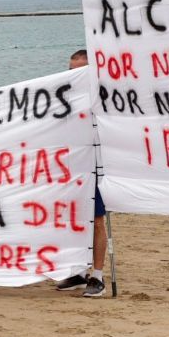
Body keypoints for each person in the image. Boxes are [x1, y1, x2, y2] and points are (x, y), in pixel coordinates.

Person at [54, 49, 109, 297]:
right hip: (71, 167)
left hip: (96, 166)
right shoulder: (66, 98)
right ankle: (76, 271)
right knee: (71, 220)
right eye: (71, 70)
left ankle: (97, 276)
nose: (75, 74)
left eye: (81, 70)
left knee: (97, 221)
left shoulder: (102, 99)